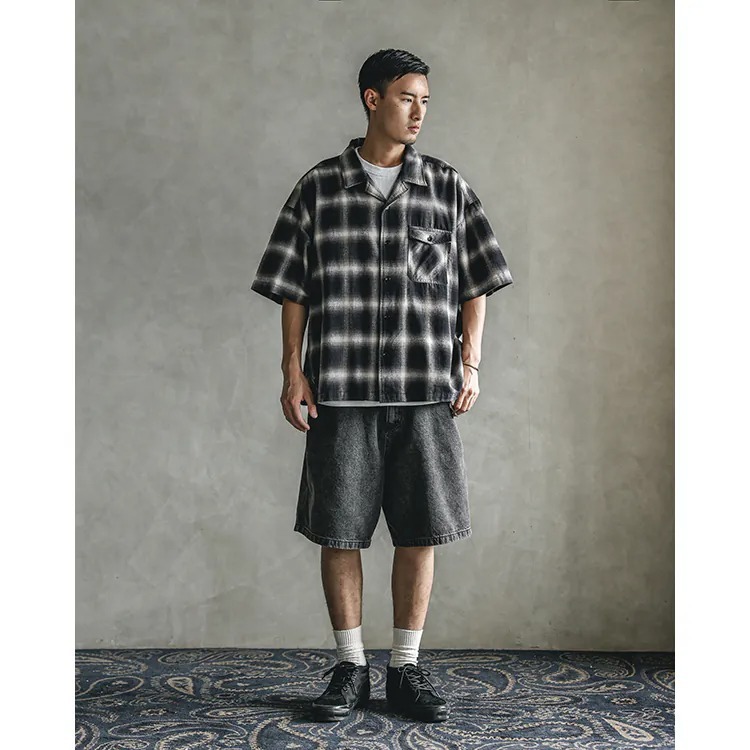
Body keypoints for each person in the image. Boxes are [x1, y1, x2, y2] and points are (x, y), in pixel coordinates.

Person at [250, 48, 513, 723]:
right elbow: (293, 287)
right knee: (339, 531)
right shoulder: (319, 188)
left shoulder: (447, 188)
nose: (418, 111)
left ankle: (404, 668)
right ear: (372, 99)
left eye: (425, 100)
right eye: (406, 98)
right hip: (340, 390)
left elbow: (477, 282)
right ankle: (349, 667)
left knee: (420, 531)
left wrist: (471, 363)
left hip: (424, 389)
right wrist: (291, 369)